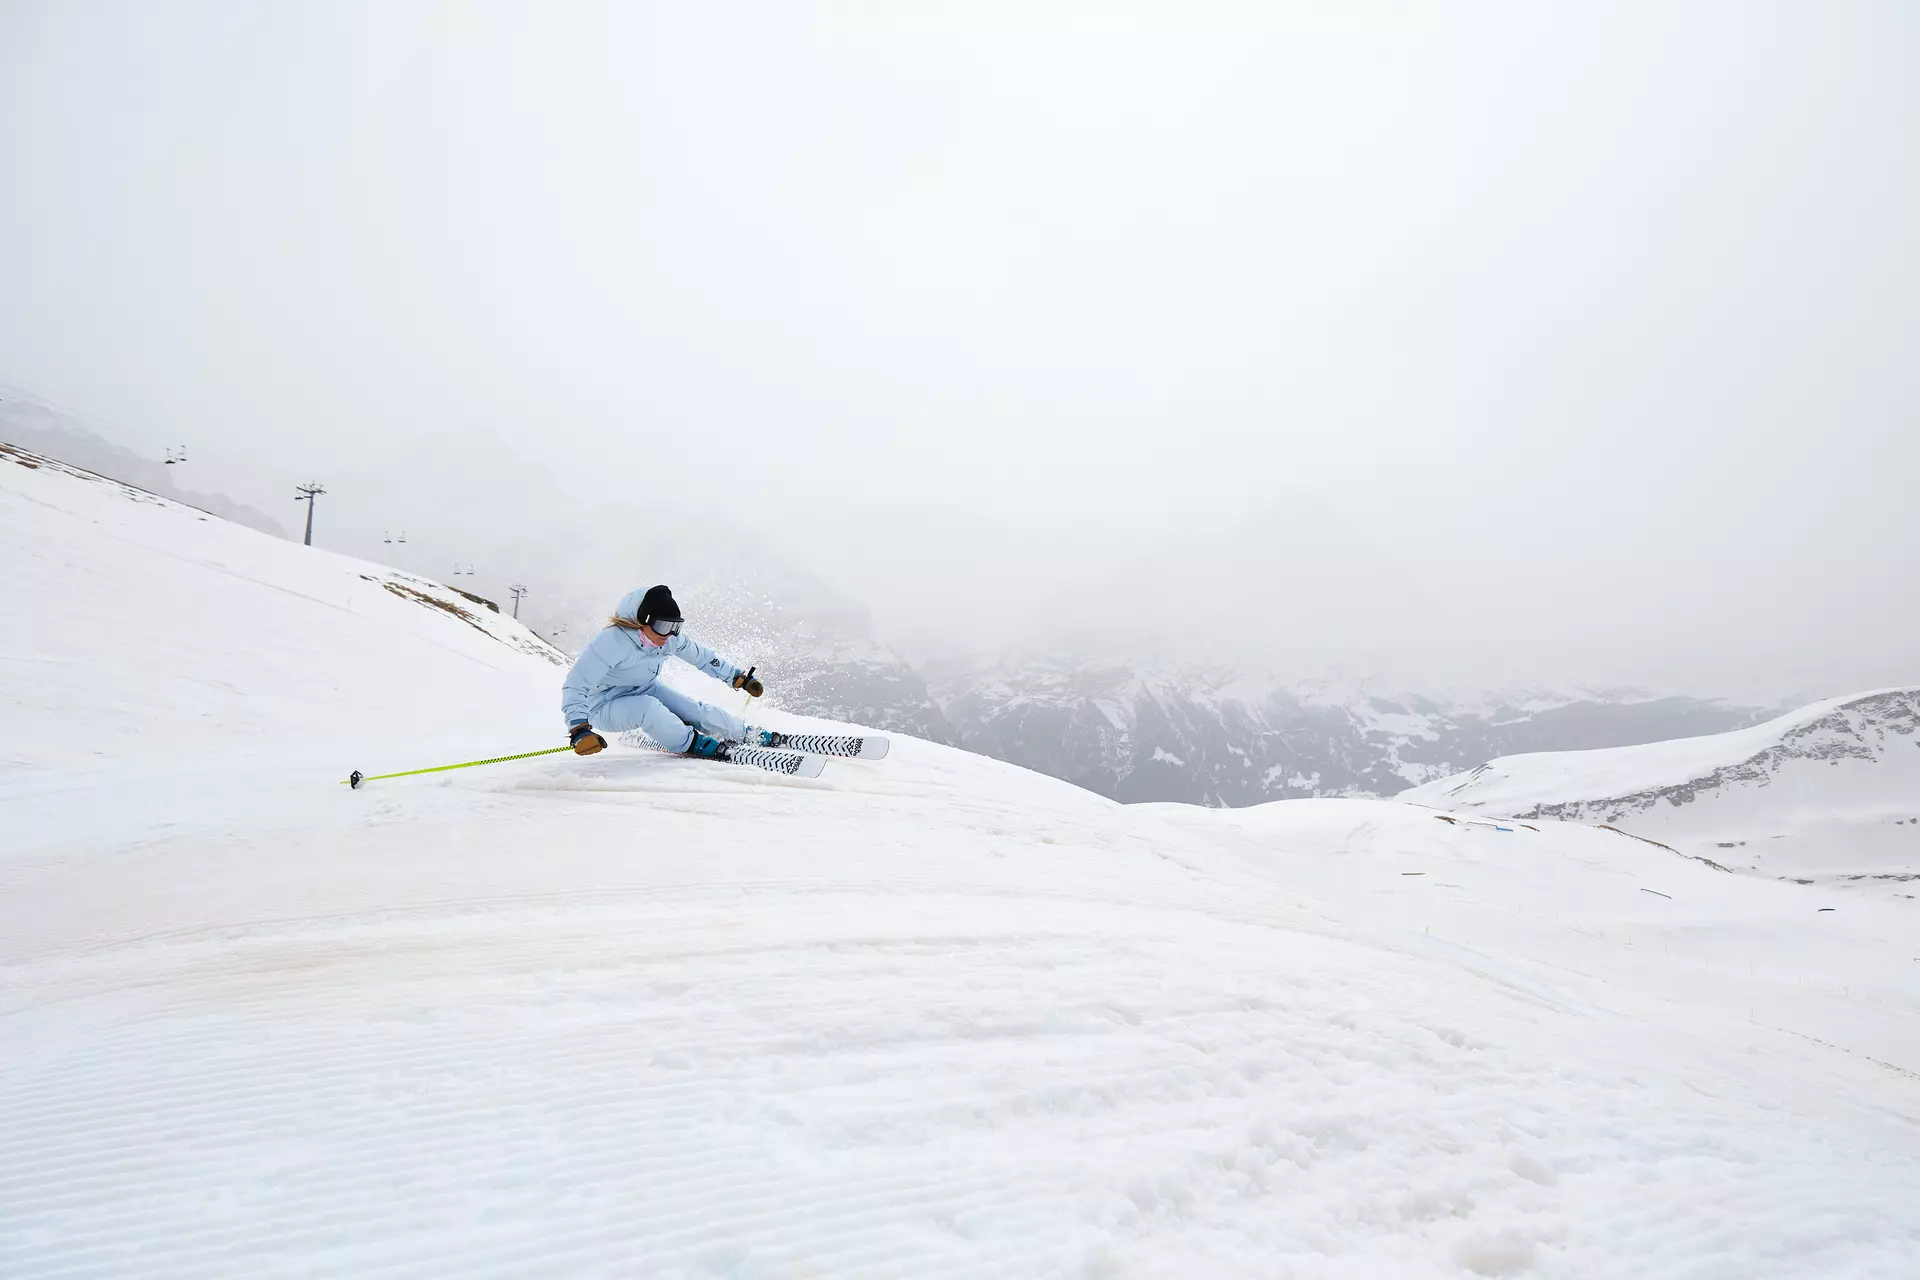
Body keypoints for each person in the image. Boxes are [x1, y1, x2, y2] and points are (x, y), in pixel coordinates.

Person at [561, 584, 765, 760]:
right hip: (603, 704)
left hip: (645, 687)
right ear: (644, 621)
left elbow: (703, 657)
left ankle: (744, 733)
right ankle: (691, 743)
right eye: (663, 625)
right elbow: (576, 684)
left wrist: (737, 677)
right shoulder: (612, 641)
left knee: (693, 710)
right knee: (648, 708)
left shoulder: (669, 638)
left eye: (675, 626)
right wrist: (579, 728)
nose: (669, 633)